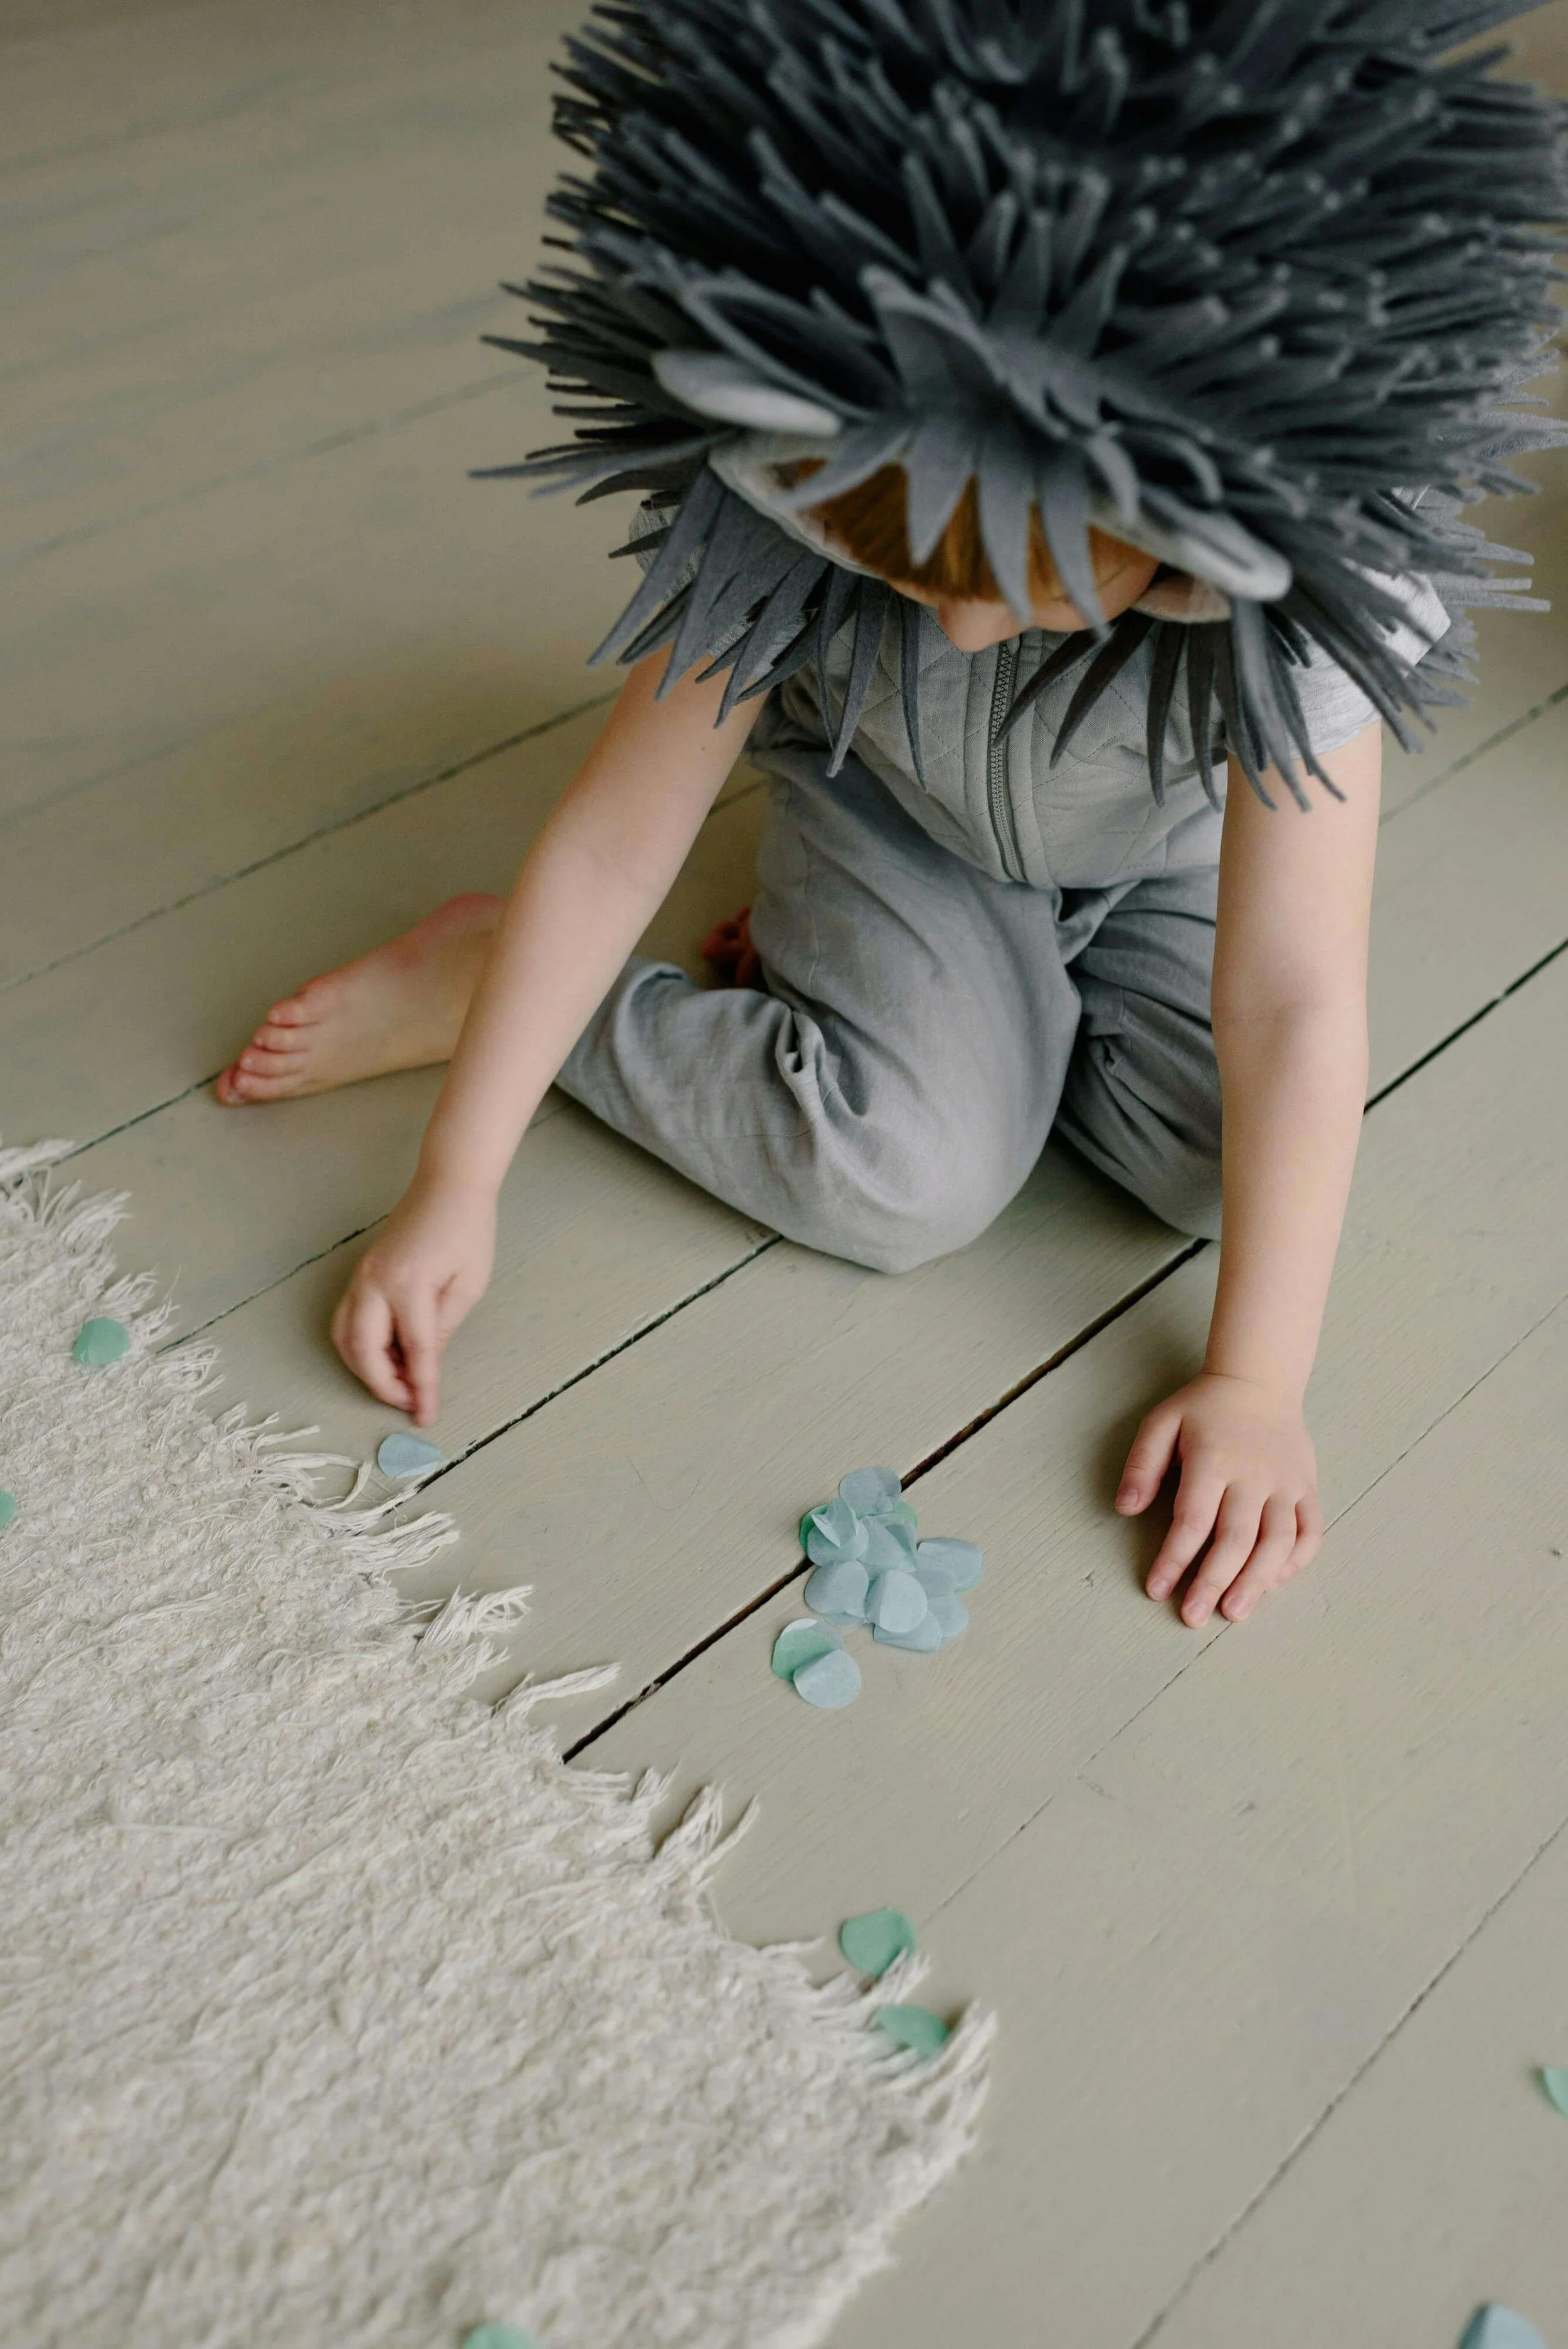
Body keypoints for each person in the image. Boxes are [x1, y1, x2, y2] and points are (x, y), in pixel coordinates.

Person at [217, 0, 1565, 1631]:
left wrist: (1256, 1383)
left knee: (1223, 1163)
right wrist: (457, 1178)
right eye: (911, 580)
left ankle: (920, 998)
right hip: (896, 818)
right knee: (905, 1180)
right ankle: (499, 979)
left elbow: (1291, 994)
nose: (968, 632)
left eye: (1029, 588)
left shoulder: (1312, 595)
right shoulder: (791, 467)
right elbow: (616, 837)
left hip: (1157, 863)